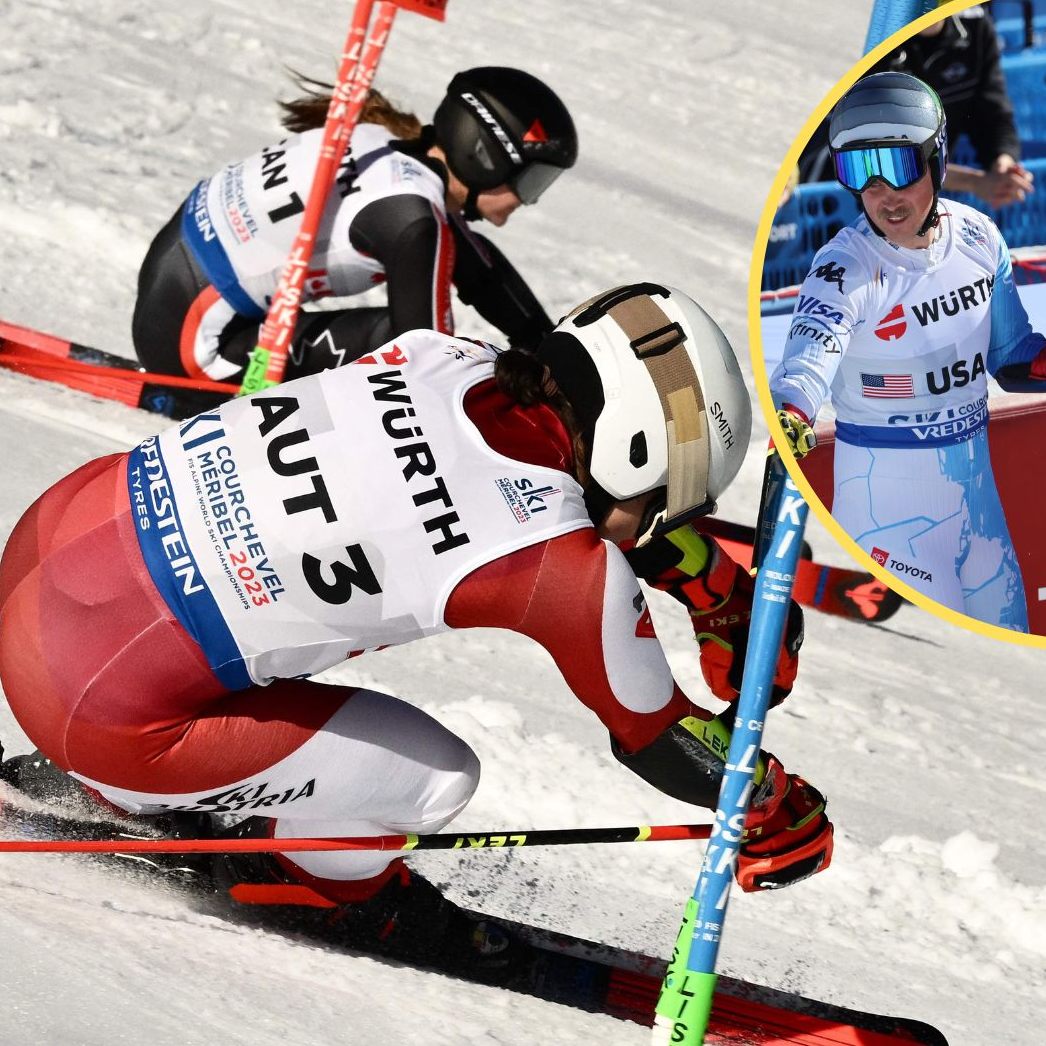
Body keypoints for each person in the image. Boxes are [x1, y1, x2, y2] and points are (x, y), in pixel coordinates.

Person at [1, 283, 830, 967]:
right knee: (436, 778)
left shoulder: (443, 352)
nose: (651, 531)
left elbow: (536, 489)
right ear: (635, 456)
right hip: (96, 710)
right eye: (665, 505)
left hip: (49, 548)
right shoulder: (565, 569)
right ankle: (314, 887)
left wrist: (715, 584)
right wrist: (773, 802)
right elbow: (655, 733)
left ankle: (155, 790)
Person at [771, 71, 1046, 631]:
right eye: (858, 170)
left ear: (937, 159)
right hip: (888, 505)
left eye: (897, 165)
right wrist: (792, 410)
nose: (882, 193)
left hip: (977, 498)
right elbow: (809, 355)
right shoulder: (845, 269)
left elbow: (1013, 357)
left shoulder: (978, 237)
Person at [132, 66, 577, 394]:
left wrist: (545, 349)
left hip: (170, 284)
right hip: (193, 353)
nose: (526, 200)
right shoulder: (414, 219)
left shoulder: (385, 148)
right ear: (486, 156)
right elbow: (426, 363)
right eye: (531, 181)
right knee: (398, 344)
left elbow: (482, 271)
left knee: (450, 262)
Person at [798, 8, 1033, 209]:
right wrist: (975, 182)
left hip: (920, 188)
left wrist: (1003, 166)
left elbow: (993, 116)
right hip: (839, 189)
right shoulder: (872, 35)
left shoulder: (976, 27)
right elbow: (886, 159)